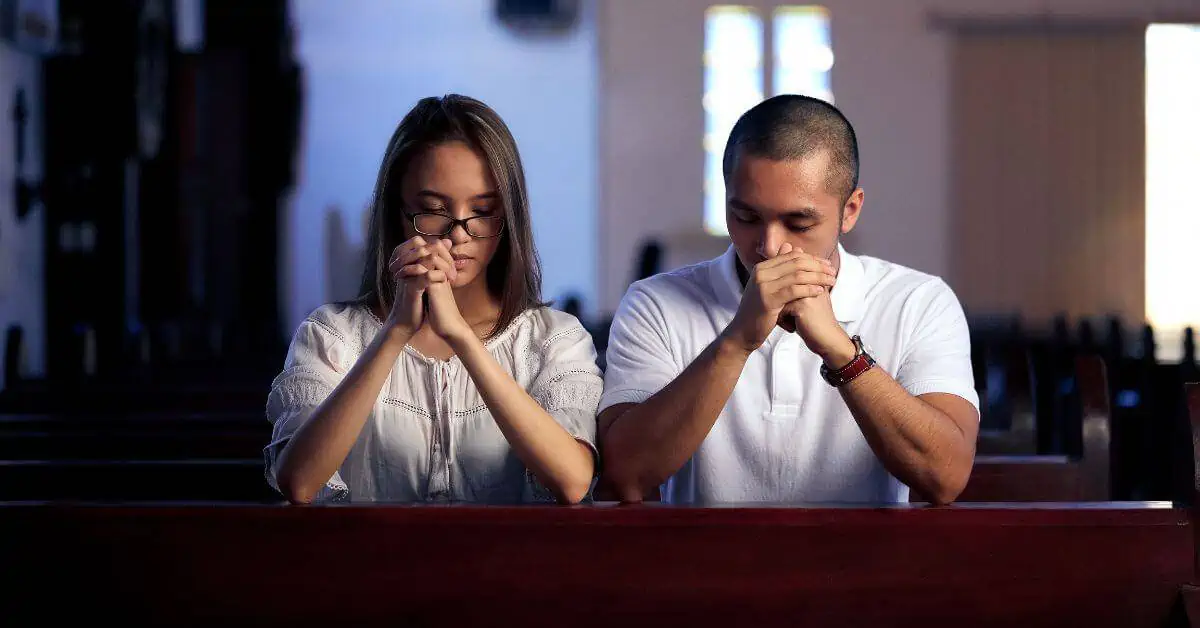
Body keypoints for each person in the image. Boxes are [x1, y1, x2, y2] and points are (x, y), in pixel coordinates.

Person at [597, 95, 979, 505]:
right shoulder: (654, 303)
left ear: (849, 211)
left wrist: (841, 351)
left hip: (864, 568)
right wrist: (738, 340)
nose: (769, 246)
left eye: (799, 222)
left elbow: (945, 477)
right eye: (746, 217)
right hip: (704, 568)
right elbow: (628, 477)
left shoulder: (918, 302)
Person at [266, 95, 601, 504]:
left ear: (509, 216)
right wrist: (395, 332)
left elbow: (572, 479)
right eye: (433, 210)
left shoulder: (554, 340)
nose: (458, 234)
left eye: (481, 211)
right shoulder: (333, 335)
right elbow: (299, 481)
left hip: (512, 566)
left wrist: (459, 335)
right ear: (396, 212)